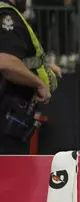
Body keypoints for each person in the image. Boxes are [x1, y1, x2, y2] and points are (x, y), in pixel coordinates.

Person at [0, 0, 60, 154]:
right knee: (12, 176)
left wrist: (42, 68)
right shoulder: (7, 16)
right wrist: (39, 83)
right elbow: (6, 62)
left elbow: (15, 58)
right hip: (5, 123)